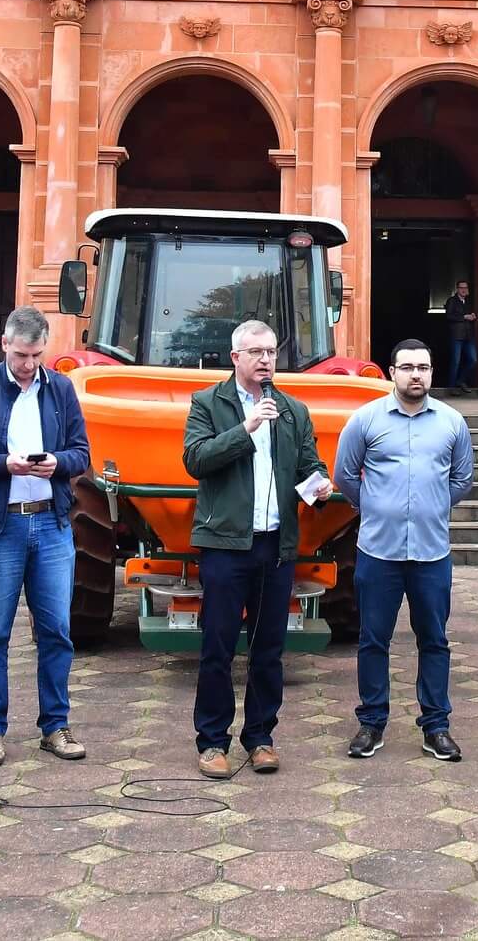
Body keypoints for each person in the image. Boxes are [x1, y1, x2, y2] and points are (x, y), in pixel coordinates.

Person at [0, 306, 93, 769]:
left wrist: (58, 463)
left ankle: (55, 725)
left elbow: (82, 452)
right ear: (4, 345)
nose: (29, 364)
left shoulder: (61, 389)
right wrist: (2, 464)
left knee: (57, 632)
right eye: (22, 354)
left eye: (36, 355)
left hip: (51, 523)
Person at [182, 320, 328, 779]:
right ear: (236, 358)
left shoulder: (292, 410)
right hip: (226, 545)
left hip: (276, 546)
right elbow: (196, 460)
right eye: (256, 352)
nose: (266, 359)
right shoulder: (208, 403)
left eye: (271, 351)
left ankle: (261, 737)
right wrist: (245, 428)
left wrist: (319, 483)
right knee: (218, 647)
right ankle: (212, 741)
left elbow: (309, 462)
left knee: (268, 650)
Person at [334, 338, 476, 762]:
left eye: (424, 367)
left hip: (432, 554)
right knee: (373, 640)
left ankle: (436, 726)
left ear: (432, 373)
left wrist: (429, 507)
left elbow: (462, 480)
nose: (417, 374)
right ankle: (371, 722)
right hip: (379, 552)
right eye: (408, 367)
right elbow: (344, 475)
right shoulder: (365, 420)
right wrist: (376, 506)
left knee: (434, 640)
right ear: (392, 372)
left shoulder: (452, 423)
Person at [443, 279, 478, 393]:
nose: (464, 290)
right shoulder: (452, 301)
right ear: (457, 289)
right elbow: (449, 316)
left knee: (473, 360)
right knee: (456, 361)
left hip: (468, 336)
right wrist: (464, 317)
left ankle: (461, 380)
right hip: (456, 336)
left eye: (466, 288)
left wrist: (472, 317)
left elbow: (469, 317)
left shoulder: (468, 302)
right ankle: (452, 387)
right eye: (461, 288)